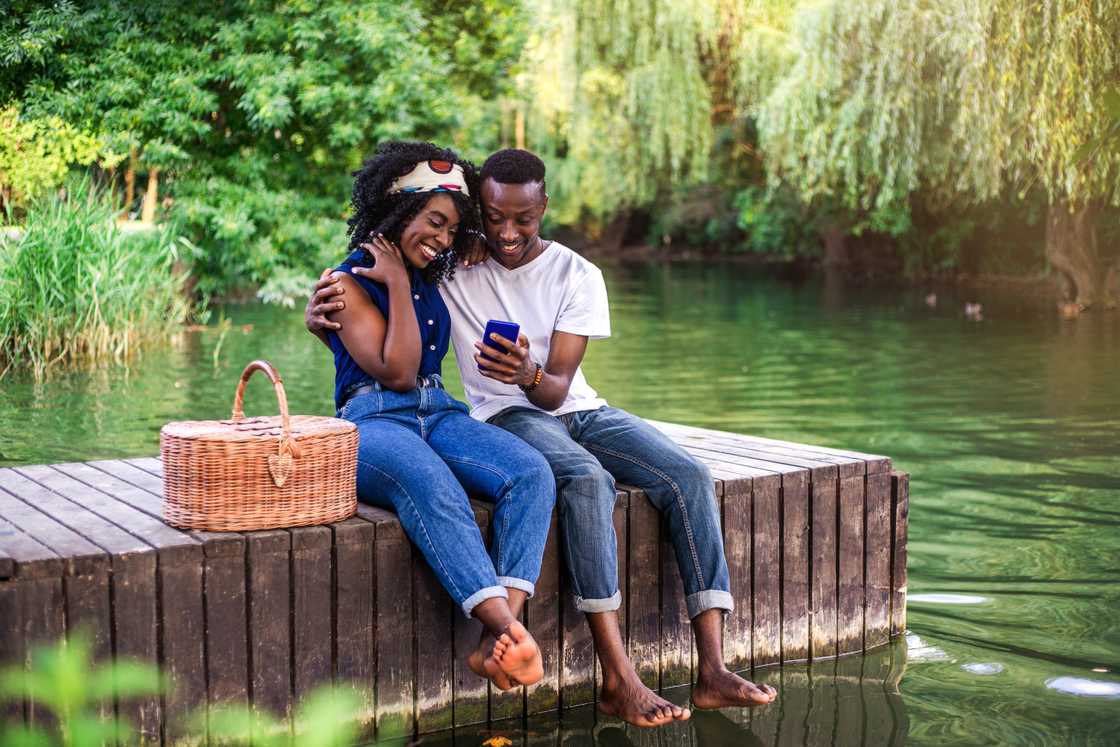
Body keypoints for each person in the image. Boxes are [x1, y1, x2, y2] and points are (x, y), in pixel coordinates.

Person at [308, 148, 777, 726]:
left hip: (543, 407)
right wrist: (328, 318)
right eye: (491, 218)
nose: (504, 233)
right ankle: (590, 665)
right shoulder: (444, 264)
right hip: (456, 414)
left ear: (543, 208)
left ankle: (712, 669)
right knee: (579, 478)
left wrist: (528, 371)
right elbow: (382, 344)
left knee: (687, 475)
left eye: (520, 220)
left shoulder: (568, 273)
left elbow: (555, 391)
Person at [320, 141, 556, 691]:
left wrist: (469, 237)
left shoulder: (436, 269)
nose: (443, 238)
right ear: (398, 210)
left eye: (451, 228)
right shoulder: (344, 282)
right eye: (433, 222)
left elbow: (483, 239)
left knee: (530, 472)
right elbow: (397, 373)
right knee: (431, 482)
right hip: (372, 422)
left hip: (437, 410)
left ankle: (492, 645)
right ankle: (508, 632)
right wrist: (398, 283)